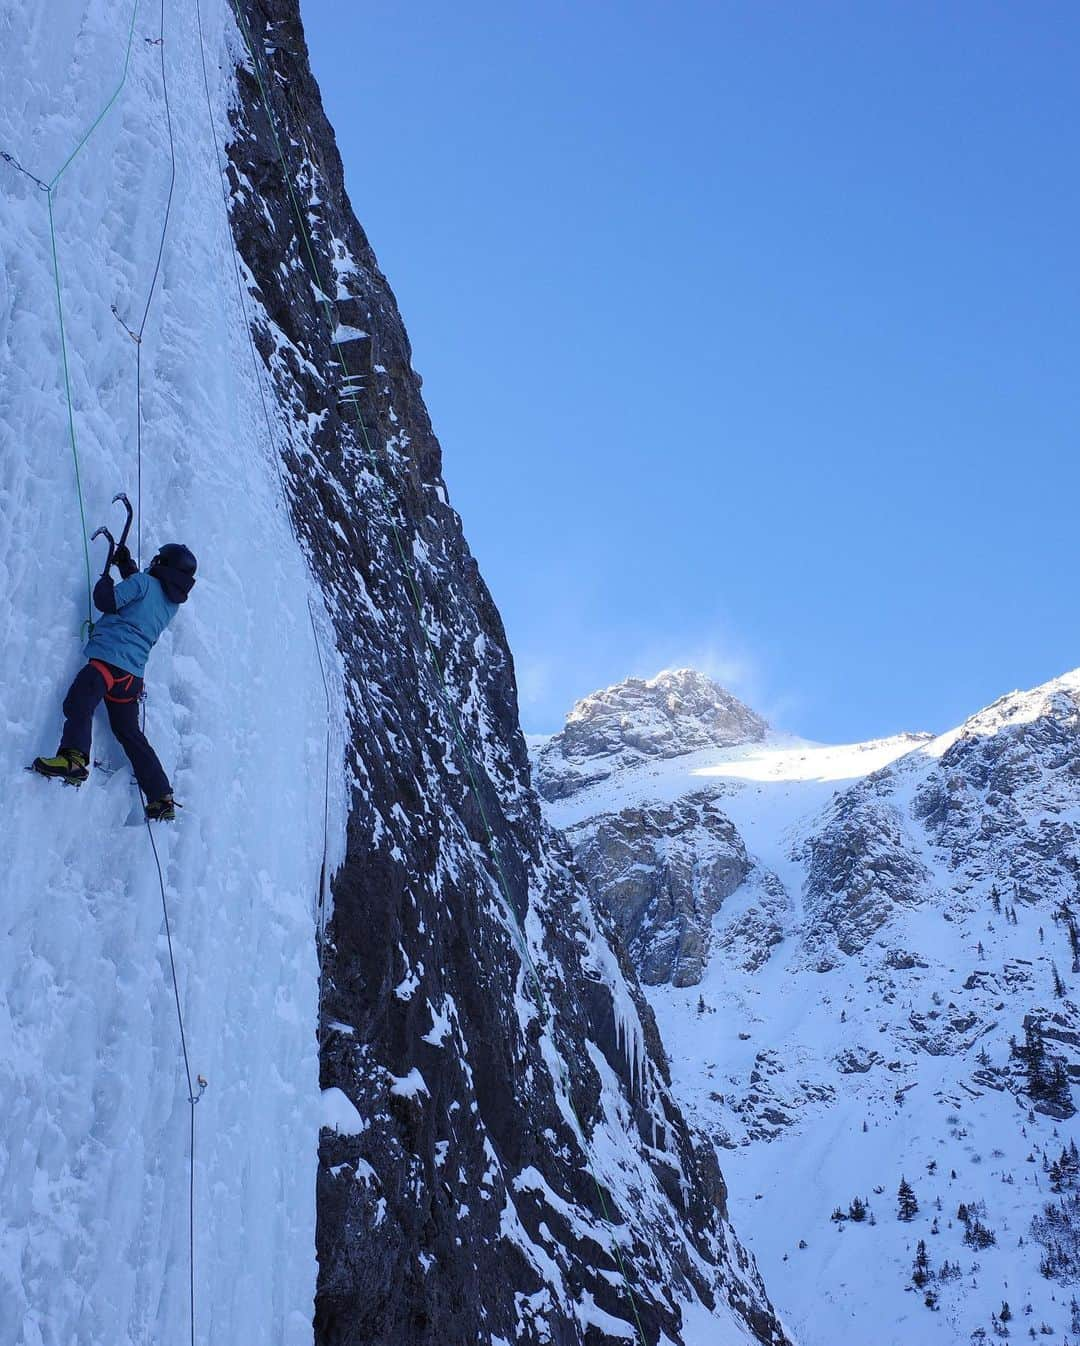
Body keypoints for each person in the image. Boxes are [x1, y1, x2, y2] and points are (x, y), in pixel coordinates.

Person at [33, 542, 197, 821]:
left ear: (163, 564)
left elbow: (106, 602)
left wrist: (105, 580)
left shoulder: (143, 582)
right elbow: (143, 594)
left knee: (79, 702)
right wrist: (126, 565)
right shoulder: (171, 605)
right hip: (130, 678)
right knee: (129, 733)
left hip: (107, 661)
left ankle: (74, 759)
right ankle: (161, 796)